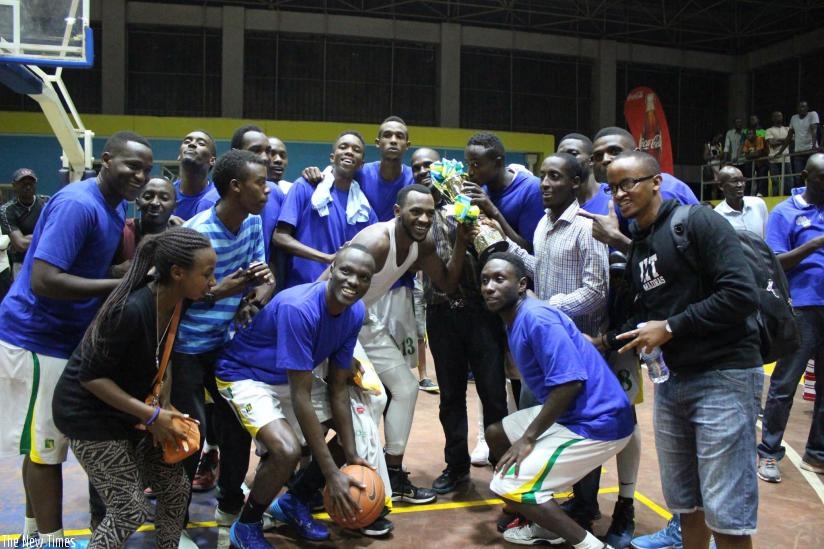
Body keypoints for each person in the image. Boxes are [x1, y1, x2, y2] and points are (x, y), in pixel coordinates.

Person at [597, 151, 761, 549]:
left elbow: (741, 294)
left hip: (723, 376)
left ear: (656, 181)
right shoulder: (639, 244)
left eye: (628, 183)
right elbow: (649, 316)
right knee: (687, 504)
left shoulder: (698, 221)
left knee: (726, 511)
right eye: (613, 187)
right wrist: (606, 341)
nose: (620, 194)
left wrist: (671, 327)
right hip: (673, 381)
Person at [0, 131, 153, 548]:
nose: (139, 175)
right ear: (106, 160)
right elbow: (45, 279)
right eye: (131, 166)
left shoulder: (113, 205)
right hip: (35, 338)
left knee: (44, 446)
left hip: (63, 339)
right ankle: (50, 541)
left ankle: (32, 536)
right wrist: (116, 285)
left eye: (147, 169)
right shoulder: (78, 204)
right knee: (45, 447)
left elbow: (88, 265)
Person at [52, 227, 216, 548]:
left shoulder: (177, 302)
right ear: (178, 272)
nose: (212, 281)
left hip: (131, 411)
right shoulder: (130, 310)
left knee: (176, 489)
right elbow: (91, 377)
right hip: (87, 417)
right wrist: (152, 416)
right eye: (207, 274)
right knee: (130, 510)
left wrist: (163, 406)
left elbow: (162, 358)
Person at [215, 245, 380, 548]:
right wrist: (332, 474)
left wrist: (352, 454)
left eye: (363, 277)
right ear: (331, 270)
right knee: (287, 450)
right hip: (246, 374)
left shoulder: (355, 312)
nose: (353, 281)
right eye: (346, 271)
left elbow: (339, 386)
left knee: (356, 431)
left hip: (289, 378)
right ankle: (247, 523)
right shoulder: (299, 308)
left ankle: (295, 501)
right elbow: (301, 396)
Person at [481, 252, 633, 549]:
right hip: (577, 414)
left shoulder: (536, 318)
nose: (489, 287)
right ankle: (545, 525)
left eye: (499, 279)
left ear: (522, 284)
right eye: (485, 280)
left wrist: (529, 438)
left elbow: (570, 383)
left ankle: (592, 546)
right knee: (496, 434)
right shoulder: (516, 318)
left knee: (507, 484)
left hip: (598, 422)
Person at [172, 149, 275, 532]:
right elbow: (172, 297)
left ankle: (230, 505)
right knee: (190, 434)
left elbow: (262, 277)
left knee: (236, 425)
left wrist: (254, 300)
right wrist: (223, 290)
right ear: (235, 187)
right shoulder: (196, 233)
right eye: (259, 183)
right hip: (185, 349)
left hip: (225, 343)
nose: (267, 190)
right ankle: (175, 523)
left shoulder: (251, 223)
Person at [409, 147, 508, 494]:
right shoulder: (418, 217)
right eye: (417, 166)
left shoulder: (468, 204)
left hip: (481, 314)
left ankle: (504, 466)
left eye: (430, 165)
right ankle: (456, 466)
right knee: (450, 396)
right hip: (440, 314)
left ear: (444, 169)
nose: (424, 170)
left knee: (493, 393)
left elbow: (499, 251)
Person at [757, 153, 824, 483]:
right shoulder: (786, 212)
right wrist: (816, 244)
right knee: (784, 384)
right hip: (801, 309)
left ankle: (818, 452)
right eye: (821, 178)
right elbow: (776, 262)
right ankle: (768, 452)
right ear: (806, 176)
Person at [274, 130, 377, 288]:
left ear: (361, 163)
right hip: (300, 290)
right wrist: (326, 258)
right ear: (332, 157)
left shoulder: (365, 211)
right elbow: (280, 237)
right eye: (343, 147)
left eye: (356, 150)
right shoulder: (305, 186)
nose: (349, 152)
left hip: (339, 297)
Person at [579, 126, 698, 254]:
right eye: (598, 156)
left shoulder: (662, 190)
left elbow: (666, 260)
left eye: (615, 151)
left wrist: (615, 238)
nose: (605, 159)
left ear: (636, 153)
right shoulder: (619, 196)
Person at [461, 131, 545, 251]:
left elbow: (531, 249)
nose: (470, 172)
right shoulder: (481, 188)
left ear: (498, 163)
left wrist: (493, 211)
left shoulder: (531, 189)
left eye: (476, 164)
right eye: (467, 164)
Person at [112, 176, 178, 276]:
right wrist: (113, 271)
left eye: (164, 198)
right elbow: (92, 270)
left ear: (174, 207)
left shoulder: (178, 240)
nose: (155, 203)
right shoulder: (121, 231)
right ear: (138, 203)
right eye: (148, 197)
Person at [0, 168, 49, 278]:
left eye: (31, 183)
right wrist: (47, 234)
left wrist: (29, 238)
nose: (28, 186)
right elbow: (20, 244)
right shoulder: (7, 210)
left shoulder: (46, 202)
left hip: (46, 260)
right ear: (14, 185)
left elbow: (59, 233)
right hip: (21, 263)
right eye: (23, 183)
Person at [172, 130, 216, 221]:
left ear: (212, 160)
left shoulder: (218, 199)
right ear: (179, 156)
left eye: (201, 143)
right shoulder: (166, 195)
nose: (192, 144)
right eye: (187, 142)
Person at [713, 166, 768, 238]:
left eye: (742, 180)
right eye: (734, 181)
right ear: (721, 186)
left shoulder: (758, 204)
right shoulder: (717, 216)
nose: (740, 185)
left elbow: (767, 237)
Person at [783, 101, 820, 183]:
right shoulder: (793, 118)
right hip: (798, 152)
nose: (801, 108)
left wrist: (814, 146)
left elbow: (814, 130)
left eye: (803, 106)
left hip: (810, 150)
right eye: (799, 107)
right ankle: (801, 194)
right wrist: (780, 151)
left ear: (807, 108)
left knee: (813, 176)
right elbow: (789, 136)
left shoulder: (812, 114)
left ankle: (814, 194)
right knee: (798, 177)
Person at [765, 111, 792, 194]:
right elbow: (772, 143)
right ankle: (775, 199)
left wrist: (778, 140)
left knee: (788, 181)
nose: (778, 118)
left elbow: (792, 140)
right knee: (775, 182)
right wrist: (786, 140)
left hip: (786, 158)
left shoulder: (787, 128)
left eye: (780, 116)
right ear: (772, 118)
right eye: (776, 116)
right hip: (773, 159)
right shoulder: (769, 130)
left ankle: (787, 198)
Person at [741, 128, 768, 196]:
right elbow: (746, 156)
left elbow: (759, 153)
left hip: (761, 162)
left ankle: (761, 193)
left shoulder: (759, 139)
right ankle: (747, 194)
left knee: (762, 176)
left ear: (755, 134)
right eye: (748, 134)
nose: (749, 135)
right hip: (752, 163)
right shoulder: (747, 141)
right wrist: (753, 154)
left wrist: (751, 154)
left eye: (751, 134)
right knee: (748, 177)